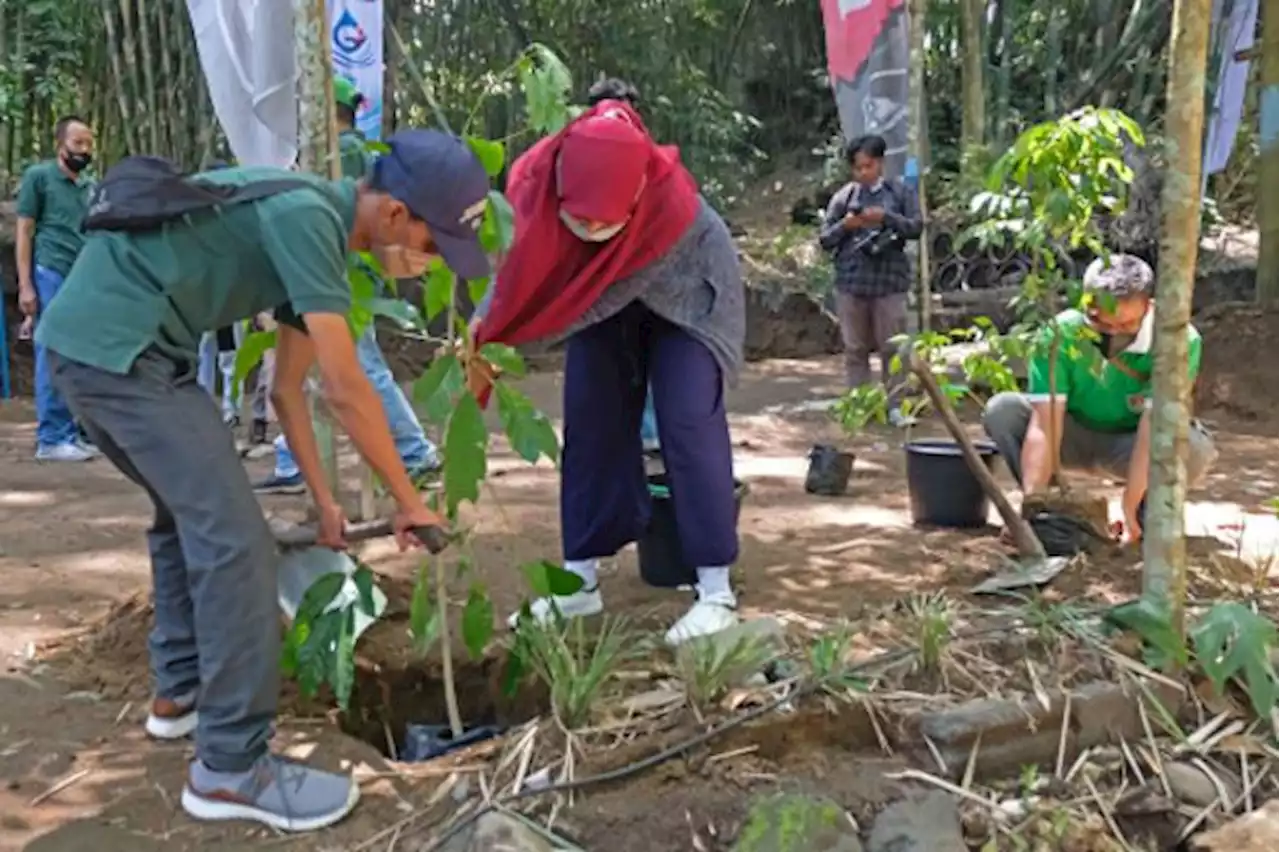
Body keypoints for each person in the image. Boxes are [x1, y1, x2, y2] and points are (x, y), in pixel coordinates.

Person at [34, 129, 491, 832]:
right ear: (396, 213)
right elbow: (344, 389)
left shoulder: (312, 227)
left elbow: (288, 390)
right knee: (237, 542)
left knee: (184, 514)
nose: (426, 266)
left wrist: (327, 504)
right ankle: (230, 767)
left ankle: (179, 694)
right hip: (119, 354)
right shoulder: (309, 218)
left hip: (117, 350)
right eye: (432, 248)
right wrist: (409, 502)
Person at [474, 100, 745, 646]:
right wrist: (479, 333)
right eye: (582, 216)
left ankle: (716, 592)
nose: (592, 225)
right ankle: (579, 583)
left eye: (606, 218)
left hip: (690, 297)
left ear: (639, 193)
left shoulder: (672, 206)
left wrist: (503, 344)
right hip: (600, 292)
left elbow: (595, 298)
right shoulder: (532, 184)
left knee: (688, 420)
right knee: (590, 418)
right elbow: (513, 269)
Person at [253, 78, 440, 493]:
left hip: (339, 277)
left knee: (357, 367)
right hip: (324, 274)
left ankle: (413, 451)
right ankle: (293, 459)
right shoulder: (350, 152)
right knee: (305, 366)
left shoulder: (347, 152)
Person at [982, 254, 1218, 543]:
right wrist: (1032, 505)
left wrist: (1128, 507)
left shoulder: (1178, 341)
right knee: (1003, 411)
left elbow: (1153, 427)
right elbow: (1045, 424)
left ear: (1149, 306)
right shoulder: (1060, 333)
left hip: (1129, 444)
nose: (1113, 335)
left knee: (1192, 446)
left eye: (1126, 325)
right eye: (1101, 325)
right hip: (1074, 435)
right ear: (1085, 304)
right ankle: (1052, 511)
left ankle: (1144, 511)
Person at [818, 134, 923, 427]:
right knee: (855, 348)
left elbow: (916, 227)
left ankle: (896, 406)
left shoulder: (900, 193)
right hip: (852, 282)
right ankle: (860, 405)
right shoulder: (844, 197)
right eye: (858, 168)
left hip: (889, 282)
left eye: (868, 166)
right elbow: (825, 239)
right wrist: (846, 225)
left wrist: (887, 218)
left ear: (880, 163)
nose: (863, 173)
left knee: (893, 348)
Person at [15, 115, 99, 462]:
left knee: (80, 355)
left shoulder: (90, 186)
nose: (84, 150)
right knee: (53, 352)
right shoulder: (40, 177)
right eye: (78, 143)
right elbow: (25, 230)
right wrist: (26, 285)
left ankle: (73, 430)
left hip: (83, 278)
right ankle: (51, 436)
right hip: (51, 271)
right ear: (60, 144)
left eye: (89, 144)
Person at [585, 77, 661, 453]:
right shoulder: (579, 157)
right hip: (603, 284)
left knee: (645, 361)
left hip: (645, 280)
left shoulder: (651, 158)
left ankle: (647, 437)